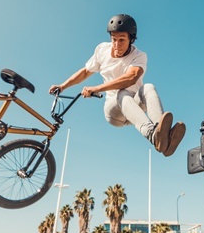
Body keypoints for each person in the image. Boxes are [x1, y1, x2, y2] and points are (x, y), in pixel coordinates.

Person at [49, 14, 185, 156]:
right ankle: (153, 134)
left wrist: (96, 88)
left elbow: (131, 78)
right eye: (114, 39)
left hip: (135, 108)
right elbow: (85, 72)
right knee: (122, 93)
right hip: (114, 111)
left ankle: (162, 135)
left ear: (131, 40)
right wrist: (63, 86)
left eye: (122, 40)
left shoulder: (139, 56)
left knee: (148, 87)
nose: (116, 45)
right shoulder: (102, 50)